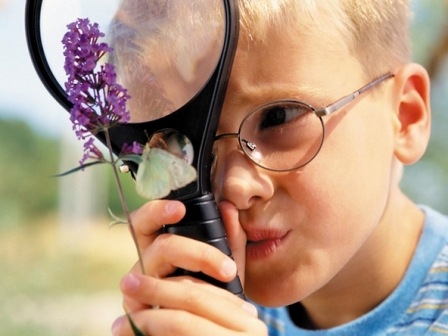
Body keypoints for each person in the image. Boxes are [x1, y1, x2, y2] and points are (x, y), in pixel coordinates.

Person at [111, 0, 448, 335]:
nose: (234, 186)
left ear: (405, 116)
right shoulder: (215, 317)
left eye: (278, 118)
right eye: (189, 147)